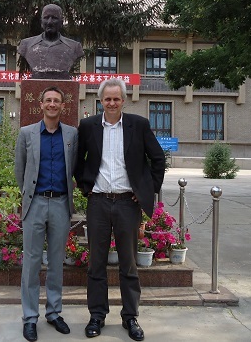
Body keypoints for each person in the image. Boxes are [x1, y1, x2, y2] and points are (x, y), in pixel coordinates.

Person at [75, 78, 166, 341]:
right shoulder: (88, 126)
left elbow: (158, 159)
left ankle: (130, 317)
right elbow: (78, 160)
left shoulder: (139, 125)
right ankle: (97, 316)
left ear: (123, 101)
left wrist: (146, 190)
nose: (112, 103)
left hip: (128, 203)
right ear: (101, 101)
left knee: (129, 263)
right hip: (99, 202)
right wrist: (84, 186)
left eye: (116, 98)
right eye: (107, 99)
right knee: (96, 263)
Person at [14, 86, 79, 341]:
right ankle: (30, 317)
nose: (52, 104)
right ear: (40, 104)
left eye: (57, 101)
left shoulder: (71, 134)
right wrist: (29, 197)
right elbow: (20, 170)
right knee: (31, 263)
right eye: (48, 100)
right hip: (35, 204)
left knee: (56, 262)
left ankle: (54, 312)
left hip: (61, 204)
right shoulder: (26, 133)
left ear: (63, 106)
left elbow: (74, 167)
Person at [17, 4, 84, 79]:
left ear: (61, 22)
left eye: (54, 18)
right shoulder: (26, 45)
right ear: (41, 22)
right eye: (46, 18)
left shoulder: (74, 47)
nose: (49, 22)